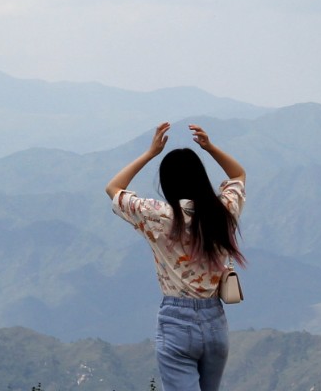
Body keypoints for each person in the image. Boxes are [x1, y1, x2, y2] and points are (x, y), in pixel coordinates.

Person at [105, 122, 246, 391]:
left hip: (176, 323)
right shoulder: (222, 212)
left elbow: (114, 188)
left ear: (167, 182)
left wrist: (150, 153)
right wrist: (210, 147)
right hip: (215, 322)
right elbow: (238, 175)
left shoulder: (157, 214)